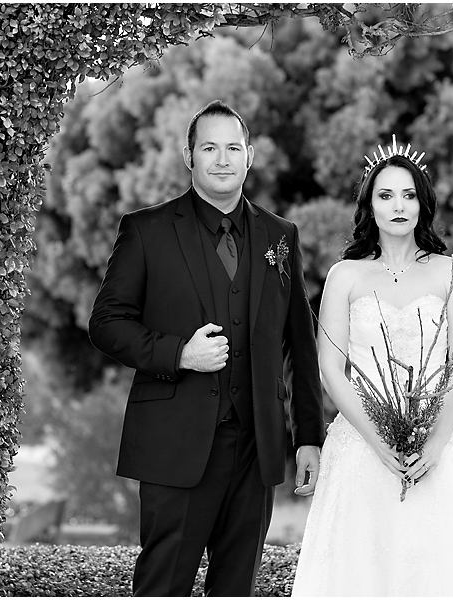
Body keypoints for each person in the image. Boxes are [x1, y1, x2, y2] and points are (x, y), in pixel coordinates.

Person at [88, 99, 325, 597]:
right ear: (188, 156)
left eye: (232, 148)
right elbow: (106, 323)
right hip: (176, 444)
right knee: (163, 584)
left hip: (256, 447)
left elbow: (300, 343)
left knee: (236, 587)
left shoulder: (280, 236)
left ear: (250, 156)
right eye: (209, 147)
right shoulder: (147, 230)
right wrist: (178, 354)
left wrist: (309, 436)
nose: (222, 158)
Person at [291, 141, 453, 596]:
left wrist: (437, 443)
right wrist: (379, 443)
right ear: (370, 207)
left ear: (423, 203)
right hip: (361, 445)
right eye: (385, 196)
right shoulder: (345, 275)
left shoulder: (451, 273)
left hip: (438, 441)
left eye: (408, 195)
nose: (398, 206)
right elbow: (330, 366)